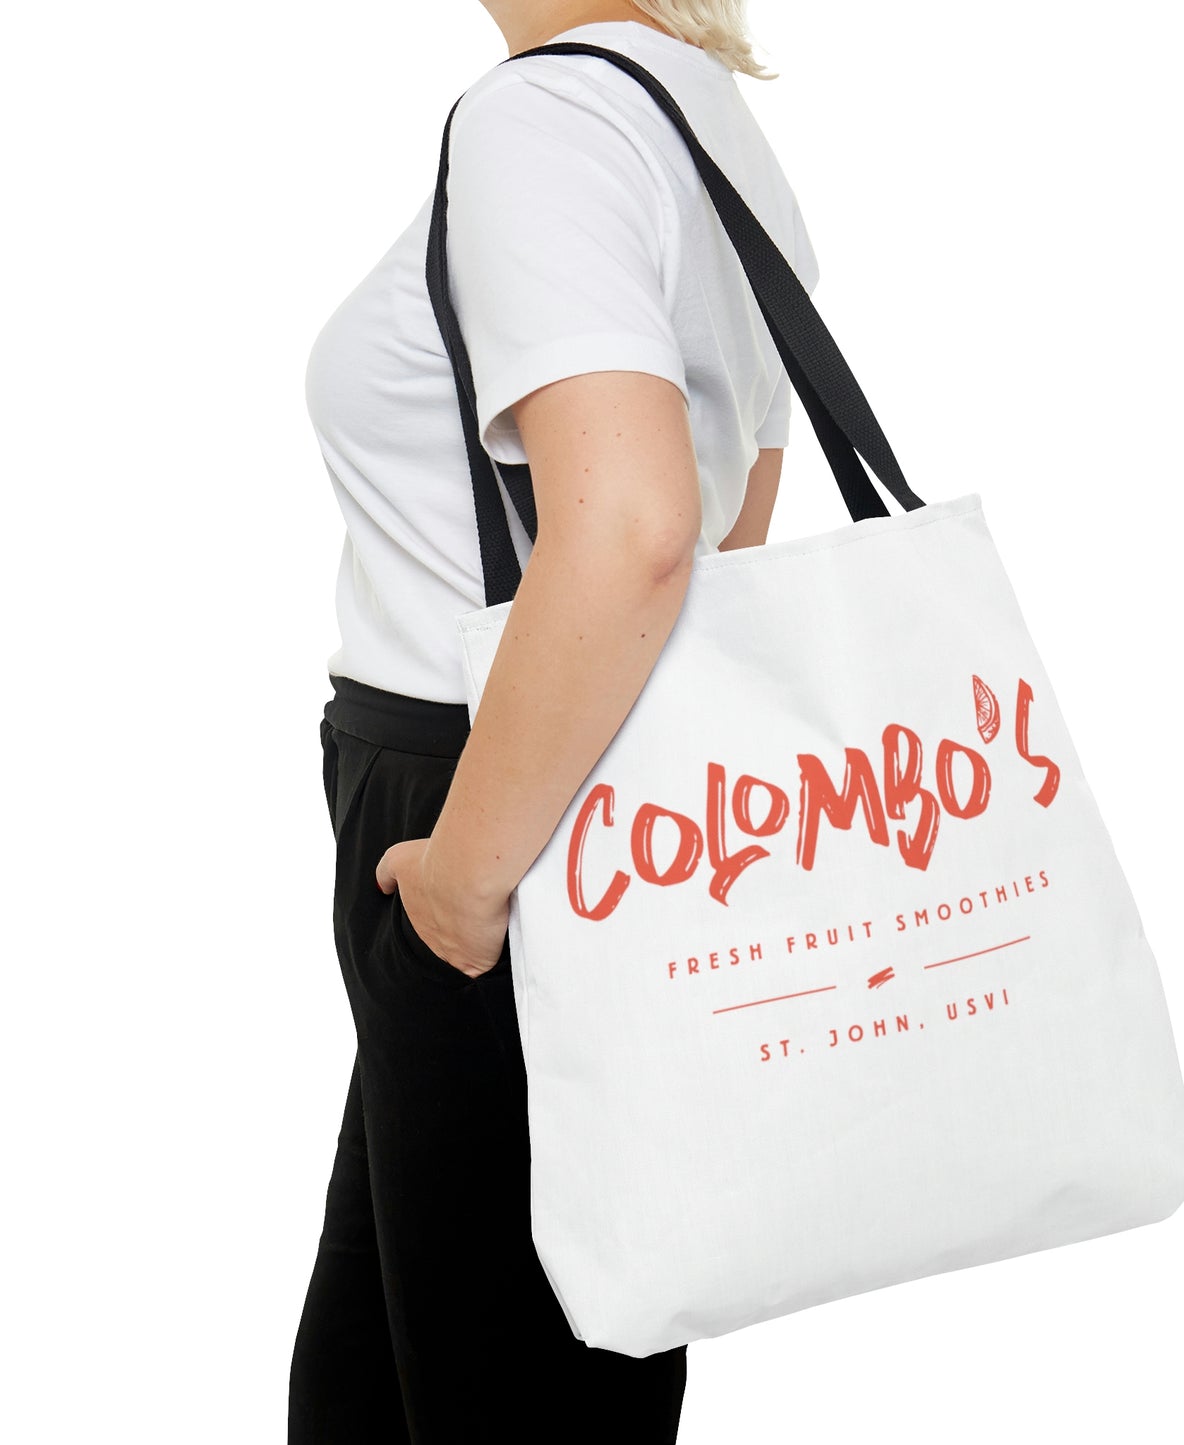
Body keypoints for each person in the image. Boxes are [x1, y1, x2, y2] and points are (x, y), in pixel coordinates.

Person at [287, 2, 820, 1439]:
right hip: (588, 787)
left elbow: (640, 528)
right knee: (409, 1373)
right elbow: (734, 523)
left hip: (487, 812)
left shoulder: (546, 120)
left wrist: (465, 882)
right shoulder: (697, 111)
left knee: (496, 1390)